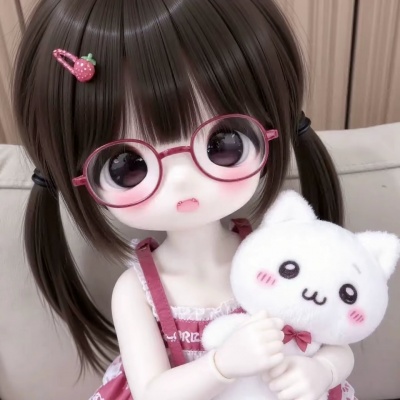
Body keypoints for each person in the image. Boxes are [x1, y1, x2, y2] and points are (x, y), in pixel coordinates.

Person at [13, 1, 355, 399]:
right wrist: (221, 365)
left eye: (223, 144)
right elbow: (152, 391)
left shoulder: (283, 256)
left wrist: (323, 370)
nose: (181, 180)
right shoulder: (136, 292)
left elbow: (336, 338)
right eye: (129, 167)